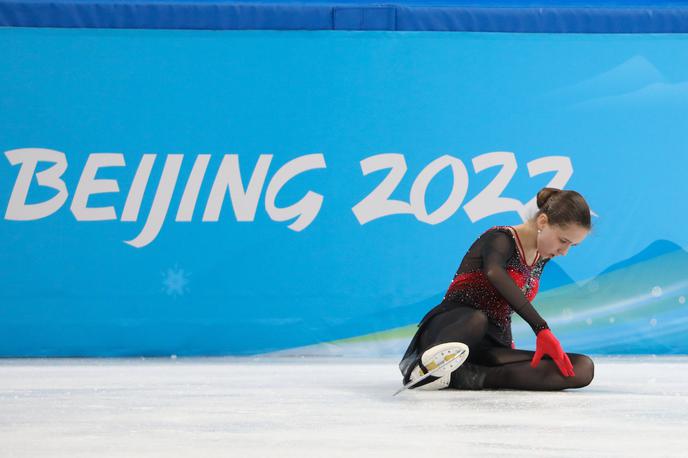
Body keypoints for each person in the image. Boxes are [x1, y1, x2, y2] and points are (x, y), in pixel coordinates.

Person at [399, 187, 595, 391]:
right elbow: (494, 273)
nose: (564, 252)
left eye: (572, 245)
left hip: (490, 348)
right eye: (563, 241)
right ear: (542, 222)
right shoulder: (500, 238)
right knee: (477, 319)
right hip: (452, 331)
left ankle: (471, 376)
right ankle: (425, 367)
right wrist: (541, 328)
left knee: (581, 366)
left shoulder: (541, 257)